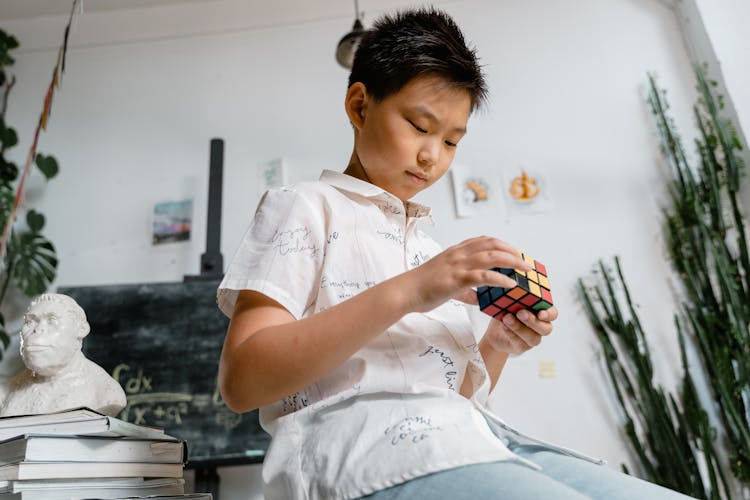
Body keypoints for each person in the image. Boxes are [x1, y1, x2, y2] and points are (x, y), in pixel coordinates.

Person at [217, 8, 693, 500]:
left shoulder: (428, 249)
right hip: (358, 457)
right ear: (359, 106)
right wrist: (412, 289)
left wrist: (498, 345)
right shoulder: (304, 207)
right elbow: (244, 382)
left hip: (474, 441)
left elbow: (449, 402)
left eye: (450, 141)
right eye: (419, 127)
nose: (433, 156)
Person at [0, 293, 126, 417]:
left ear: (81, 330)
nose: (37, 329)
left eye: (51, 320)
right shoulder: (6, 391)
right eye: (30, 322)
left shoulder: (106, 393)